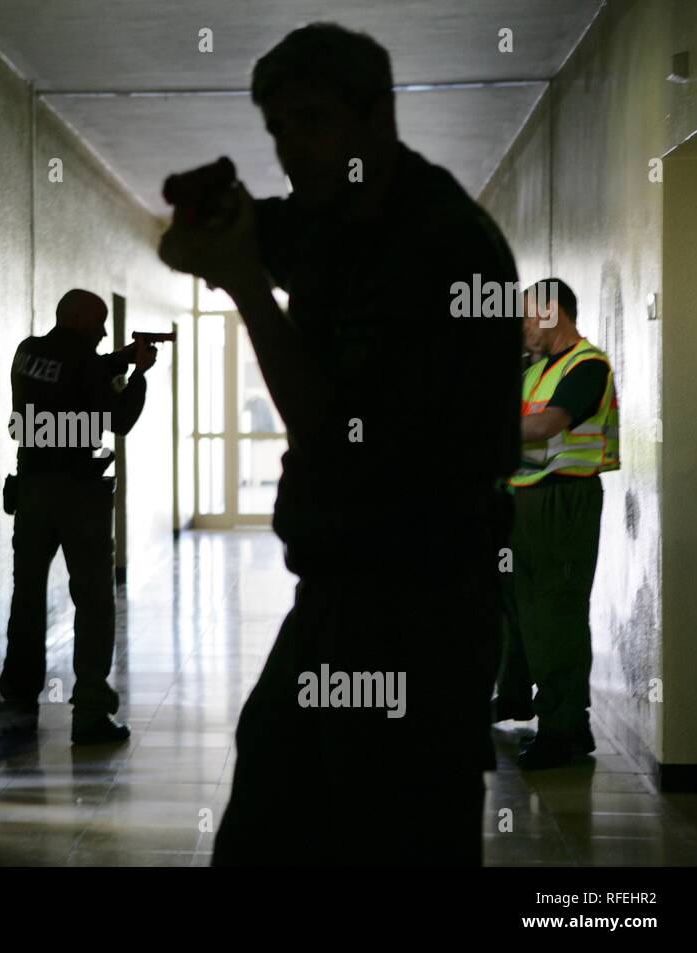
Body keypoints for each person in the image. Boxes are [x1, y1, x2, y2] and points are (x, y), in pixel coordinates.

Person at [159, 23, 520, 865]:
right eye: (278, 129)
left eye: (311, 123)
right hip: (339, 593)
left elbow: (336, 429)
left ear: (378, 116)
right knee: (265, 827)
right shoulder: (333, 216)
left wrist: (243, 279)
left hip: (420, 606)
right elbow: (216, 240)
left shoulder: (445, 246)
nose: (292, 150)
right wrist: (214, 224)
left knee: (393, 829)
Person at [0, 289, 158, 755]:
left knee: (27, 597)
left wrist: (115, 360)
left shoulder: (27, 352)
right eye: (100, 322)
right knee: (94, 600)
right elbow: (117, 419)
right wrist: (138, 374)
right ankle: (89, 711)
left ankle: (19, 703)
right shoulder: (85, 363)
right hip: (79, 496)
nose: (105, 331)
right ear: (80, 318)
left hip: (33, 492)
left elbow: (69, 380)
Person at [495, 279, 619, 769]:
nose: (523, 326)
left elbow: (546, 427)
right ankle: (518, 702)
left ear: (553, 313)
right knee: (520, 608)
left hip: (562, 501)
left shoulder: (586, 366)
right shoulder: (534, 371)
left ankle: (564, 729)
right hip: (523, 501)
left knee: (554, 613)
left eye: (528, 316)